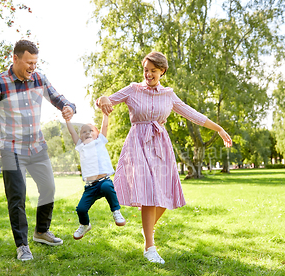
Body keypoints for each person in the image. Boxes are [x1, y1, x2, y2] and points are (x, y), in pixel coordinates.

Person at [97, 51, 232, 264]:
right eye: (145, 70)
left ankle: (146, 231)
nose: (148, 75)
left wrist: (219, 129)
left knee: (164, 196)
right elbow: (106, 101)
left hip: (160, 146)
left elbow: (192, 114)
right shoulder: (133, 90)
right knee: (150, 192)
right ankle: (150, 247)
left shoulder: (168, 95)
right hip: (138, 145)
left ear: (162, 71)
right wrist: (102, 98)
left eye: (153, 71)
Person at [0, 40, 76, 261]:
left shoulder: (39, 79)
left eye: (35, 62)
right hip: (11, 148)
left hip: (36, 146)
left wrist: (69, 107)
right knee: (18, 196)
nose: (33, 67)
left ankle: (41, 231)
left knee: (49, 187)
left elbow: (58, 98)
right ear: (15, 58)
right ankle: (22, 245)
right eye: (29, 62)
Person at [65, 113, 126, 240]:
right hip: (90, 187)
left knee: (108, 188)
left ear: (97, 134)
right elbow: (72, 134)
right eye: (83, 132)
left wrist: (105, 114)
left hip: (104, 181)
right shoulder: (81, 146)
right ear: (80, 137)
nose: (87, 133)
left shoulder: (100, 141)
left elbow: (105, 125)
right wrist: (68, 121)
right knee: (81, 209)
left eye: (91, 130)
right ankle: (85, 224)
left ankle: (116, 212)